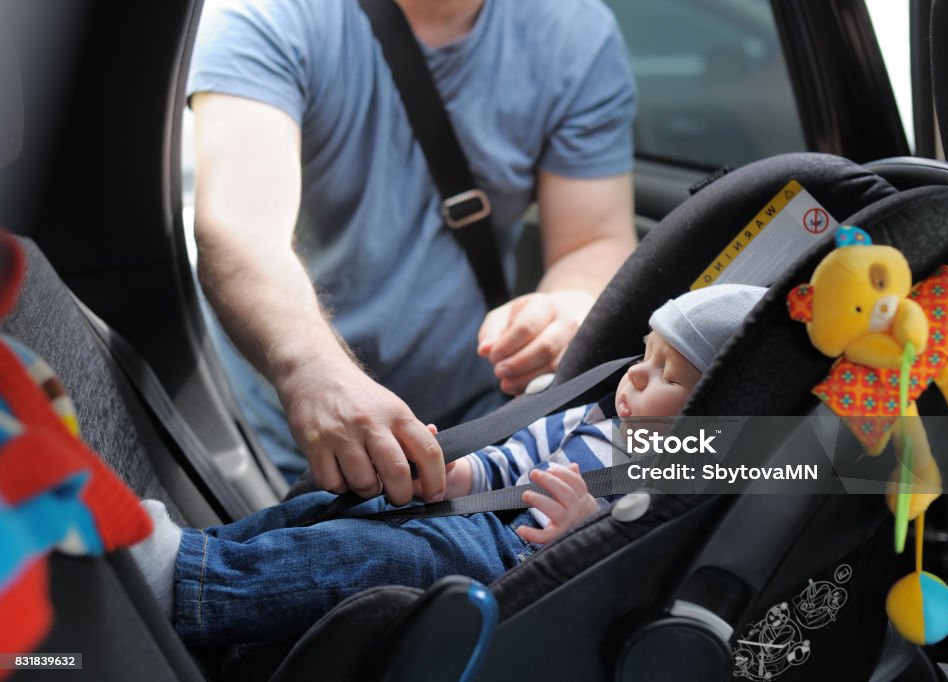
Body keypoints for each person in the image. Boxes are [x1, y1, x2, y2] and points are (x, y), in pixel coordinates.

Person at [131, 284, 767, 644]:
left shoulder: (679, 477)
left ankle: (195, 589)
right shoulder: (595, 418)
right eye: (645, 355)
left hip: (514, 561)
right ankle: (198, 552)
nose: (635, 376)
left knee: (387, 558)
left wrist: (578, 526)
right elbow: (517, 457)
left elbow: (626, 557)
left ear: (713, 410)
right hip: (477, 514)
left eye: (666, 375)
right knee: (338, 507)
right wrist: (454, 473)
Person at [188, 0, 639, 499]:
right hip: (285, 426)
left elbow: (594, 238)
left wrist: (567, 305)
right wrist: (311, 371)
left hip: (474, 424)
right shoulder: (271, 14)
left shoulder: (574, 31)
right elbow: (239, 226)